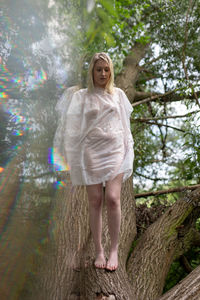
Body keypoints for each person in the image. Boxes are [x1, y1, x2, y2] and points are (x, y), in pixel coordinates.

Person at [54, 52, 134, 271]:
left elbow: (125, 127)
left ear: (111, 71)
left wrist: (128, 150)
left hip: (116, 151)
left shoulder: (118, 94)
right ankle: (99, 250)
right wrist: (73, 153)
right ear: (92, 72)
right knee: (95, 200)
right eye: (99, 69)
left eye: (106, 69)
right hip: (91, 152)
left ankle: (114, 250)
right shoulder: (81, 96)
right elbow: (71, 128)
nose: (103, 73)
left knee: (113, 198)